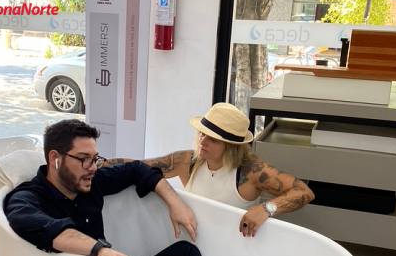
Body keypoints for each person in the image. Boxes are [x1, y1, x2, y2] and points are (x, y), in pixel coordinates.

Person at [4, 119, 209, 256]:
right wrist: (101, 251)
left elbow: (136, 170)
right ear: (54, 158)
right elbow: (42, 226)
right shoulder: (26, 197)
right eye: (83, 159)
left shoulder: (90, 182)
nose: (92, 168)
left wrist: (176, 203)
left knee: (185, 253)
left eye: (94, 159)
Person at [107, 102, 314, 237]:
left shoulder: (251, 171)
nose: (203, 141)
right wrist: (101, 163)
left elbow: (304, 192)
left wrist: (266, 209)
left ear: (231, 146)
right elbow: (139, 167)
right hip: (194, 241)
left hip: (236, 248)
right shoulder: (187, 161)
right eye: (202, 133)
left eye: (213, 139)